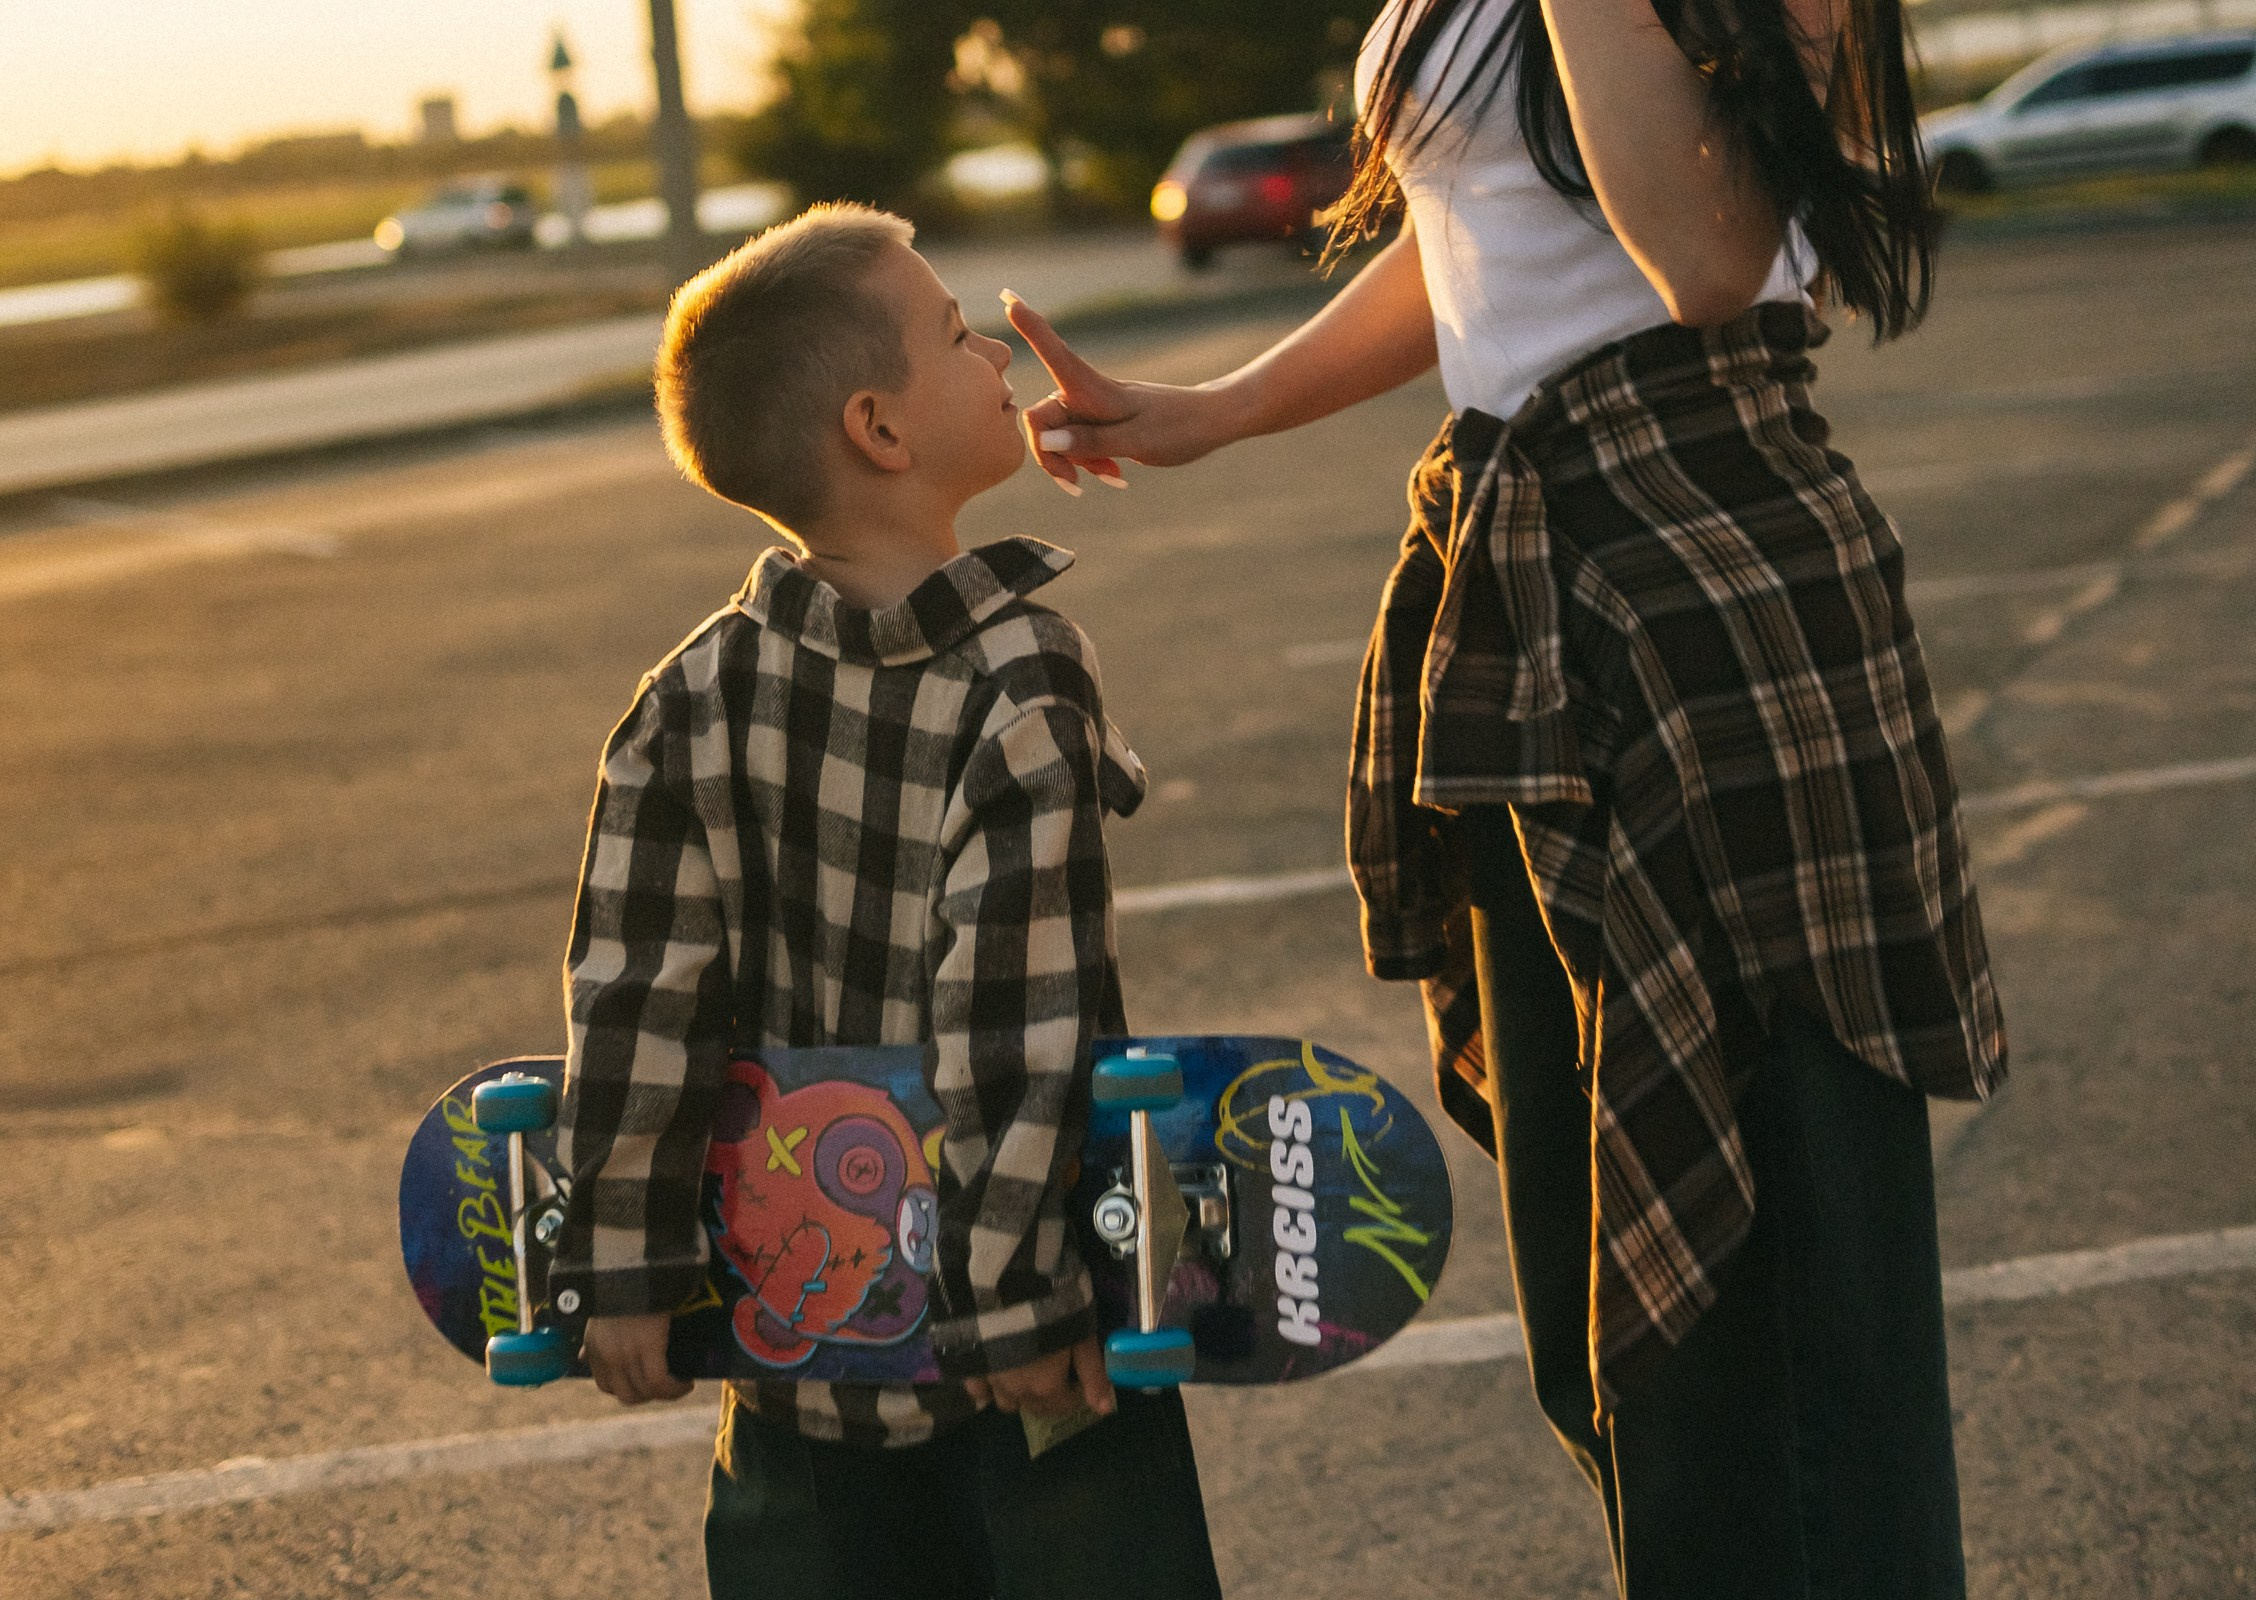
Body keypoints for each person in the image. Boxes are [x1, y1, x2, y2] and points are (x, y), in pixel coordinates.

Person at [999, 1, 2006, 1594]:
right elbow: (1487, 220)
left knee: (1775, 1313)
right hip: (1533, 564)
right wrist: (1216, 409)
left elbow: (1708, 259)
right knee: (1601, 1294)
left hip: (1707, 583)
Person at [548, 203, 1223, 1600]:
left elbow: (634, 996)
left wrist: (624, 1264)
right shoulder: (1017, 675)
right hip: (1028, 1371)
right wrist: (1026, 1300)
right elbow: (1015, 1025)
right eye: (957, 334)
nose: (994, 355)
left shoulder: (687, 699)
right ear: (881, 428)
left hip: (796, 1356)